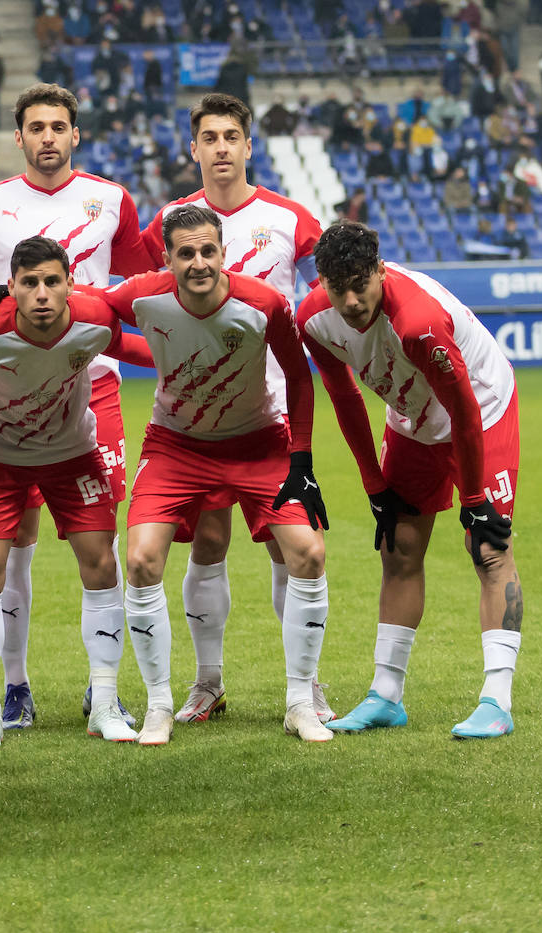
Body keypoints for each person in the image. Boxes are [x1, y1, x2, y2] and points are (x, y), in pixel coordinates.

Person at [0, 82, 157, 729]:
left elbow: (145, 280)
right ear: (19, 136)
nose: (48, 136)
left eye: (59, 126)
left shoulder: (111, 200)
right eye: (36, 127)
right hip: (13, 390)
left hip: (93, 385)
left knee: (99, 543)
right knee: (15, 543)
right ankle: (16, 686)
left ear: (75, 134)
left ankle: (103, 691)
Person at [98, 205, 335, 743]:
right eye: (186, 253)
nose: (199, 263)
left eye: (208, 251)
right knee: (140, 560)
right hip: (176, 446)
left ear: (224, 253)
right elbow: (87, 309)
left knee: (308, 553)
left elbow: (299, 378)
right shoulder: (141, 295)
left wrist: (301, 459)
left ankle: (301, 700)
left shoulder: (264, 303)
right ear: (167, 259)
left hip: (259, 443)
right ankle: (161, 704)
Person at [139, 93, 331, 726]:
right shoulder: (169, 222)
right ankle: (208, 683)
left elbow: (322, 297)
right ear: (193, 148)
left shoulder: (291, 218)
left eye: (231, 137)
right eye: (209, 138)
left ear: (248, 146)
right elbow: (149, 302)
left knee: (287, 549)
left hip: (269, 413)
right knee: (209, 542)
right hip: (195, 414)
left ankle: (307, 685)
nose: (221, 148)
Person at [300, 222, 522, 739]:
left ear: (380, 270)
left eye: (361, 284)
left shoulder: (418, 320)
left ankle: (497, 700)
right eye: (338, 288)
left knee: (488, 546)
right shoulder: (313, 320)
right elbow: (344, 398)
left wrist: (474, 499)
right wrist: (374, 485)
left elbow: (463, 410)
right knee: (398, 547)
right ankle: (386, 695)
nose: (351, 301)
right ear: (322, 283)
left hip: (482, 412)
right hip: (412, 418)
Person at [0, 236, 143, 748]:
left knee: (102, 564)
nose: (42, 293)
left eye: (52, 282)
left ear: (70, 284)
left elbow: (141, 344)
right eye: (29, 283)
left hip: (73, 455)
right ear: (11, 287)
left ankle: (105, 704)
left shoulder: (94, 319)